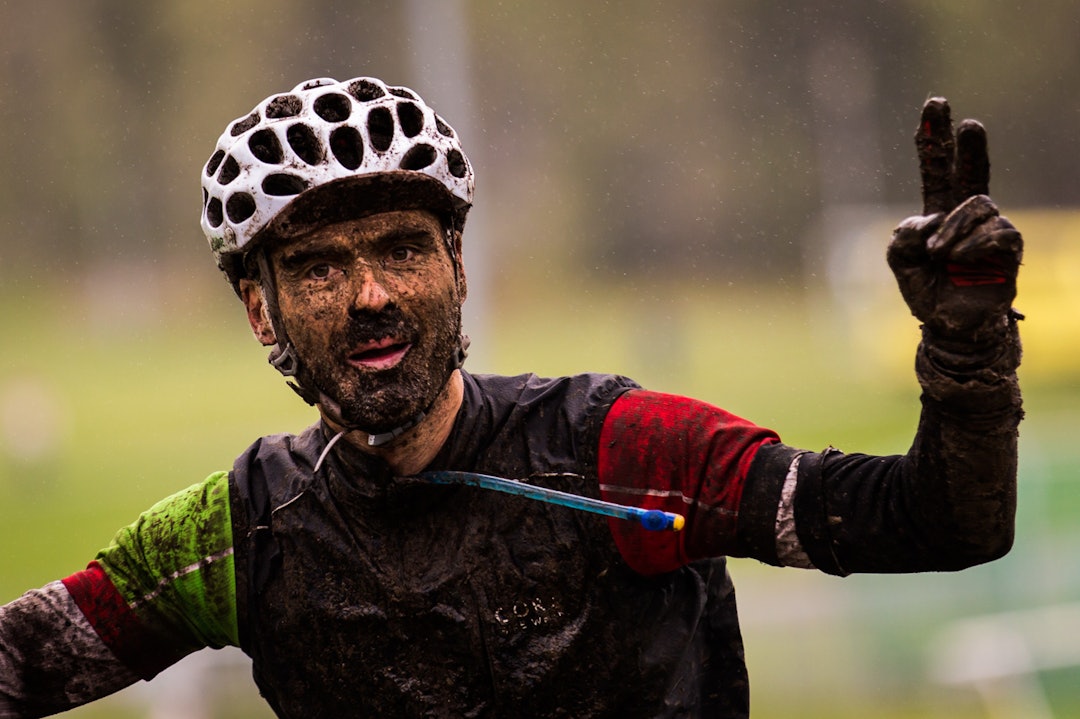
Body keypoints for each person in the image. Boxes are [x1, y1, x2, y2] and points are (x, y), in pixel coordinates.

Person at [0, 76, 1023, 719]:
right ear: (260, 313)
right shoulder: (234, 532)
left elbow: (943, 521)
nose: (371, 295)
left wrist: (968, 347)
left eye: (404, 247)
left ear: (456, 264)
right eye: (317, 266)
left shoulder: (624, 446)